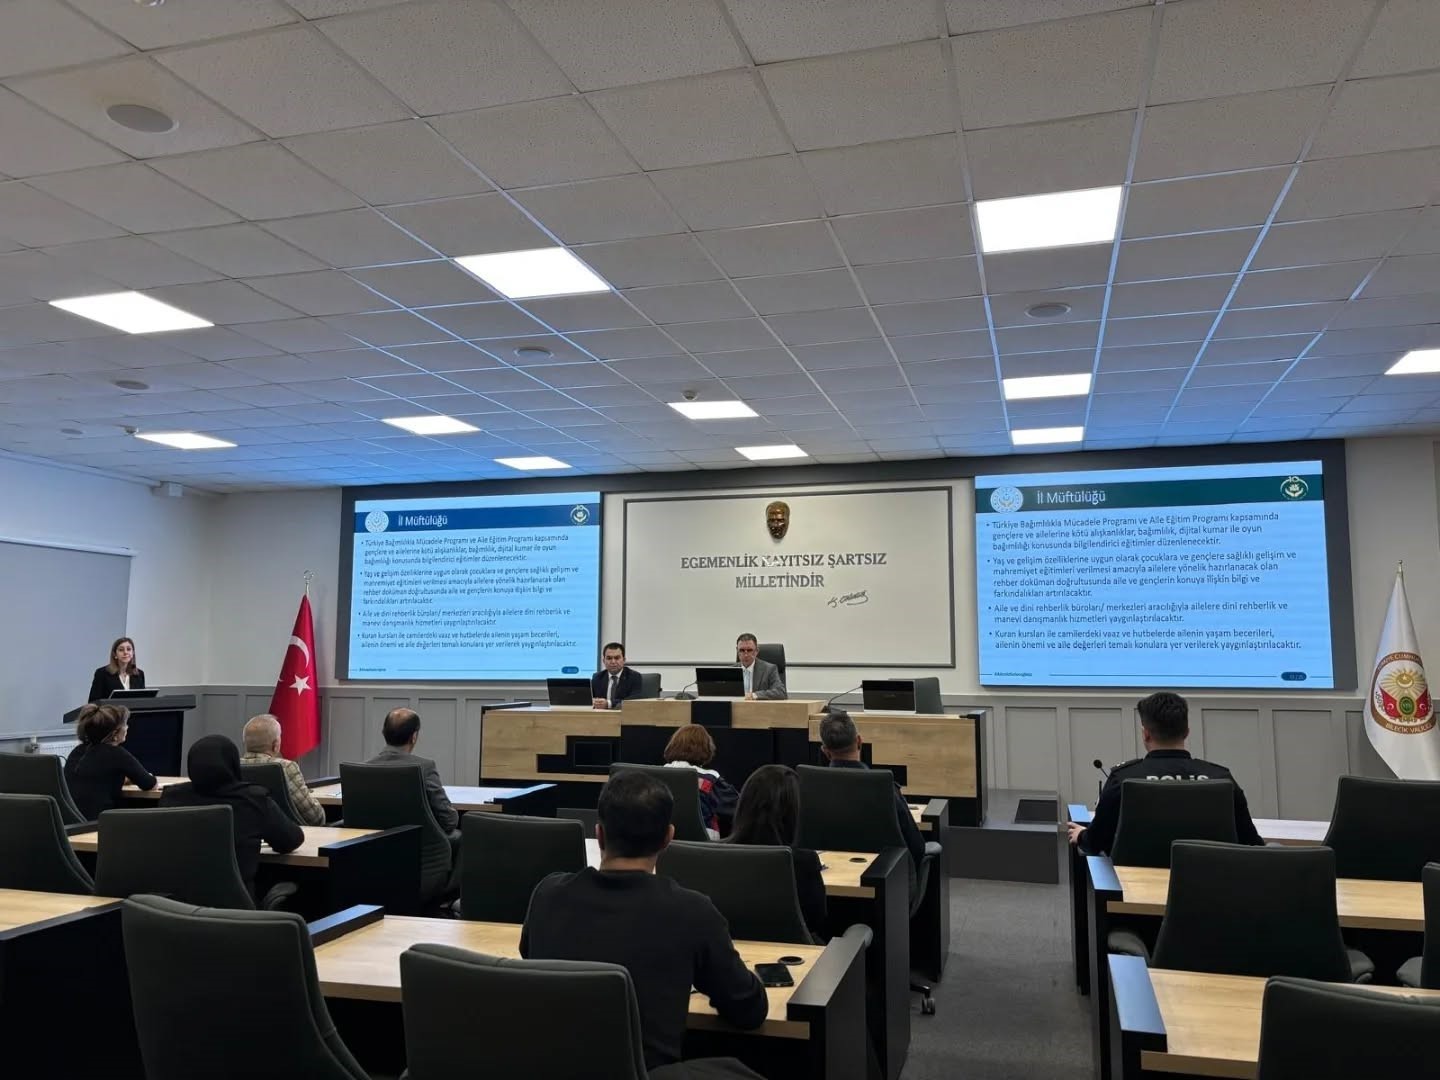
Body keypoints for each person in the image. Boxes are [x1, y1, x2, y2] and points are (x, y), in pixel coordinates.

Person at [520, 770, 768, 1074]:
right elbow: (749, 1010)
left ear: (599, 834)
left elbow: (530, 959)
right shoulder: (692, 912)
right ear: (668, 838)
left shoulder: (546, 896)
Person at [1067, 691, 1264, 855]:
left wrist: (1082, 836)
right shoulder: (1221, 778)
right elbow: (1251, 843)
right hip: (1213, 885)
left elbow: (1096, 842)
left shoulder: (1123, 779)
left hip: (1135, 886)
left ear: (1146, 734)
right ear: (1187, 732)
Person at [160, 735, 304, 899]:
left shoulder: (172, 797)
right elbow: (291, 840)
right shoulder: (253, 799)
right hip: (234, 909)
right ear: (233, 764)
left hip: (173, 907)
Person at [726, 764, 826, 942]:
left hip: (732, 951)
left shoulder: (712, 853)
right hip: (797, 955)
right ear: (794, 811)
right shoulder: (803, 861)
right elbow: (817, 919)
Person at [819, 709, 926, 870]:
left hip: (829, 876)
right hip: (886, 878)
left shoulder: (810, 788)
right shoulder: (884, 788)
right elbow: (917, 847)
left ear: (825, 751)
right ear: (859, 741)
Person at [365, 707, 459, 835]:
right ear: (414, 737)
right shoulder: (425, 767)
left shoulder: (364, 768)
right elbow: (448, 820)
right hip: (420, 843)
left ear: (383, 733)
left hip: (371, 842)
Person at [65, 702, 156, 820]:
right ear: (115, 734)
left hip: (71, 823)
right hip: (99, 823)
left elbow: (92, 778)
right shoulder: (116, 753)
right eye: (124, 725)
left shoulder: (77, 751)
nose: (127, 727)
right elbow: (149, 783)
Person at [240, 713, 326, 826]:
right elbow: (315, 818)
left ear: (246, 743)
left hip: (247, 833)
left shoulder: (233, 766)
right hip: (287, 834)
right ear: (275, 745)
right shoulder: (286, 767)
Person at [662, 724, 738, 839]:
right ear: (705, 748)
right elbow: (738, 809)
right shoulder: (710, 779)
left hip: (663, 842)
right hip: (703, 845)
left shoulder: (656, 776)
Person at [88, 636, 145, 703]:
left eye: (129, 649)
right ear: (114, 654)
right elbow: (93, 702)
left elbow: (144, 700)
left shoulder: (139, 674)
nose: (125, 652)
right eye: (121, 650)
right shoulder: (102, 673)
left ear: (133, 653)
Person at [591, 641, 642, 710]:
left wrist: (609, 704)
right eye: (609, 658)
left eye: (617, 658)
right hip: (601, 715)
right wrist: (594, 702)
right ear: (603, 661)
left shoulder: (634, 677)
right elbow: (591, 699)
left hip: (624, 715)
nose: (613, 662)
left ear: (624, 660)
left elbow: (634, 701)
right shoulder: (597, 677)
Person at [735, 633, 786, 700]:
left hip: (759, 706)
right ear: (737, 650)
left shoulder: (769, 669)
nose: (746, 654)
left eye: (749, 650)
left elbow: (781, 692)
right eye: (742, 650)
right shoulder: (730, 671)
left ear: (756, 651)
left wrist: (754, 695)